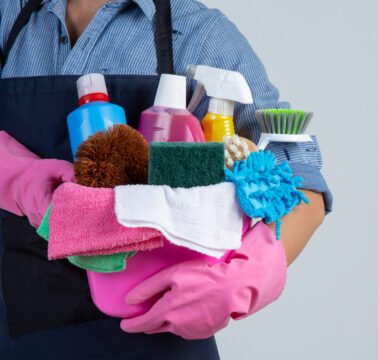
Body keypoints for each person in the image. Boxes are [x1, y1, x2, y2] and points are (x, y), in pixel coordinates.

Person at [0, 0, 332, 358]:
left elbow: (303, 187)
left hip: (155, 335)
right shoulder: (10, 16)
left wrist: (249, 275)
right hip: (19, 332)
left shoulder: (199, 34)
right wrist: (18, 176)